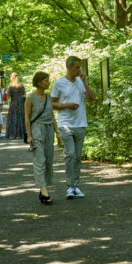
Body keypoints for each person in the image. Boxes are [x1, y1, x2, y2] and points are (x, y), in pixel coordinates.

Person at [51, 56, 95, 199]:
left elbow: (92, 97)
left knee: (77, 157)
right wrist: (66, 105)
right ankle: (70, 187)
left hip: (80, 123)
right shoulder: (59, 83)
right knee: (70, 154)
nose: (79, 70)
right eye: (76, 67)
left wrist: (84, 82)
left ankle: (76, 186)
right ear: (68, 67)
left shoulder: (80, 82)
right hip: (65, 124)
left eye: (80, 67)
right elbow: (52, 104)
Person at [25, 71, 60, 205]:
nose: (48, 82)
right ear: (39, 82)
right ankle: (44, 192)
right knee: (40, 160)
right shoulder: (30, 97)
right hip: (37, 130)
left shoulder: (48, 96)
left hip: (49, 129)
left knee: (48, 161)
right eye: (46, 80)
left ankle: (42, 188)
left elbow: (51, 115)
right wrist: (29, 135)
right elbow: (27, 117)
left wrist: (57, 132)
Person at [5, 72, 26, 139]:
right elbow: (24, 94)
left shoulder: (10, 87)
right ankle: (20, 134)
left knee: (13, 118)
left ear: (12, 78)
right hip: (20, 103)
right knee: (20, 118)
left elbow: (8, 96)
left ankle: (12, 134)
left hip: (14, 103)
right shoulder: (21, 86)